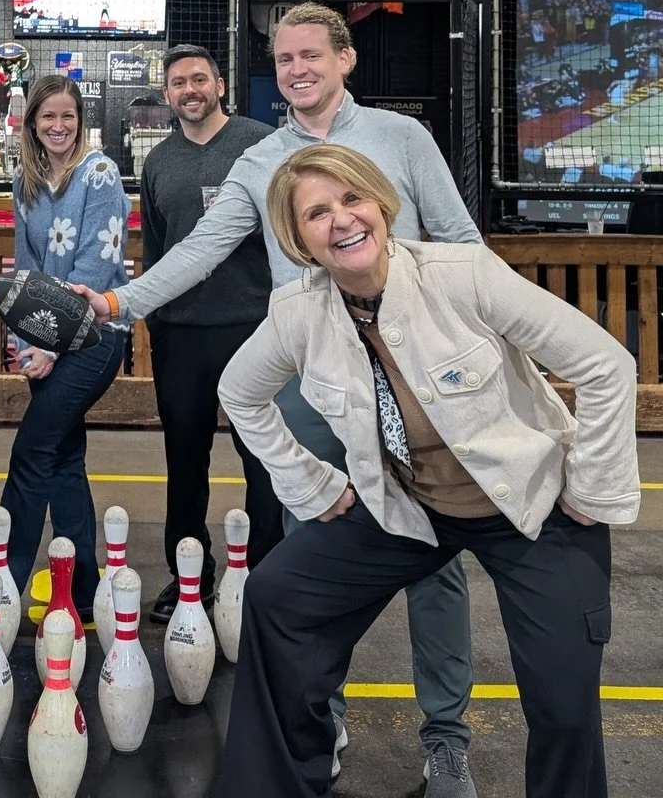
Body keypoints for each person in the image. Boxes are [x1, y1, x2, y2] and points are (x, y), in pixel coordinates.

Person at [76, 2, 482, 796]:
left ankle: (447, 744)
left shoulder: (402, 139)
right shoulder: (262, 160)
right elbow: (200, 248)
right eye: (284, 58)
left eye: (310, 55)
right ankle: (320, 724)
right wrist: (122, 302)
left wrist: (468, 350)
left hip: (415, 385)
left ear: (344, 59)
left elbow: (463, 245)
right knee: (313, 564)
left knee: (435, 562)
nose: (296, 69)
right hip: (312, 389)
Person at [217, 143, 638, 798]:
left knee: (563, 700)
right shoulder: (298, 313)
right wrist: (309, 483)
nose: (341, 220)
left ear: (381, 204)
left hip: (531, 506)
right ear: (299, 239)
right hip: (412, 506)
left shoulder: (464, 274)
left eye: (352, 199)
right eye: (317, 213)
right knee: (276, 597)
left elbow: (606, 366)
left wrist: (591, 484)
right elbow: (238, 393)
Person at [139, 44, 283, 623]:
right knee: (185, 462)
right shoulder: (158, 162)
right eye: (178, 83)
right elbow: (155, 251)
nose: (190, 90)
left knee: (264, 459)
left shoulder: (261, 144)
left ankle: (266, 579)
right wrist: (156, 323)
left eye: (199, 79)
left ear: (220, 85)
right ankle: (188, 578)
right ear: (168, 95)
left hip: (254, 328)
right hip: (181, 335)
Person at [0, 75, 131, 619]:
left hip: (95, 338)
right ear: (32, 123)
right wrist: (25, 341)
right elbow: (24, 271)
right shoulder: (25, 182)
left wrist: (51, 346)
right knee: (62, 460)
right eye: (48, 116)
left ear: (81, 121)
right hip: (48, 344)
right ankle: (82, 592)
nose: (58, 126)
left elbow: (95, 270)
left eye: (68, 116)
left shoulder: (99, 175)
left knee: (31, 455)